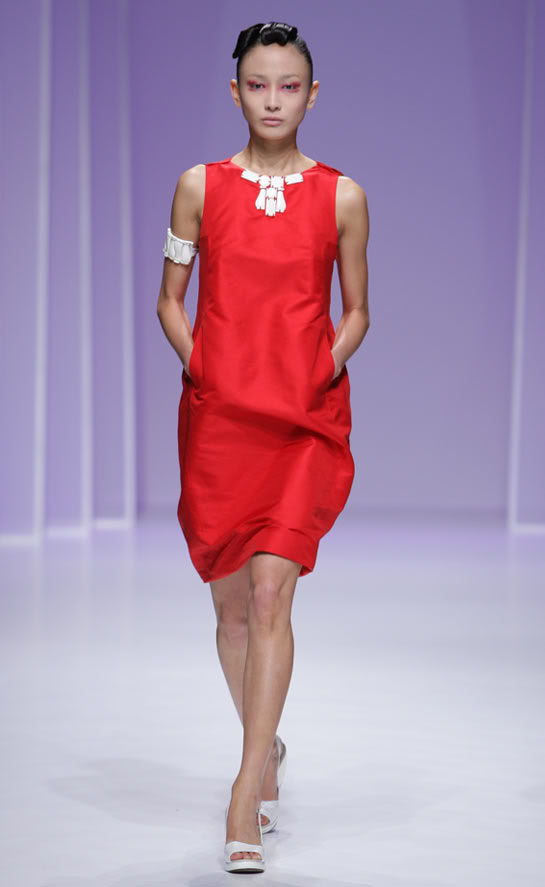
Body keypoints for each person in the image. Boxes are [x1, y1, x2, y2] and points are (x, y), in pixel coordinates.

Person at [157, 20, 370, 874]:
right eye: (257, 84)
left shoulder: (342, 195)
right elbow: (170, 298)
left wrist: (323, 366)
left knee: (274, 592)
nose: (272, 100)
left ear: (311, 95)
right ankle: (267, 740)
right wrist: (203, 365)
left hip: (300, 422)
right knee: (233, 610)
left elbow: (356, 308)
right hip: (221, 423)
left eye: (287, 86)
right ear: (234, 91)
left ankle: (246, 785)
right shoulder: (198, 187)